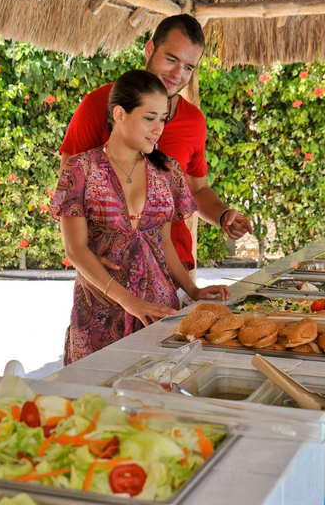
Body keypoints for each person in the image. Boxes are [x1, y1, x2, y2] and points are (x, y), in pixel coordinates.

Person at [60, 14, 253, 307]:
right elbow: (69, 195)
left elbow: (196, 190)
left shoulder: (193, 121)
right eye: (171, 59)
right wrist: (83, 257)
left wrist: (224, 215)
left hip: (175, 275)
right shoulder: (96, 105)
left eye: (189, 66)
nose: (178, 73)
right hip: (109, 277)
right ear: (149, 49)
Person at [52, 70, 230, 365]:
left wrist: (193, 290)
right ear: (119, 114)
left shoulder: (167, 171)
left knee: (157, 399)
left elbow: (164, 246)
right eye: (150, 118)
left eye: (163, 119)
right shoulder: (81, 169)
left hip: (159, 312)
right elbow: (75, 249)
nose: (158, 128)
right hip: (100, 311)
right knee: (94, 401)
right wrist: (128, 301)